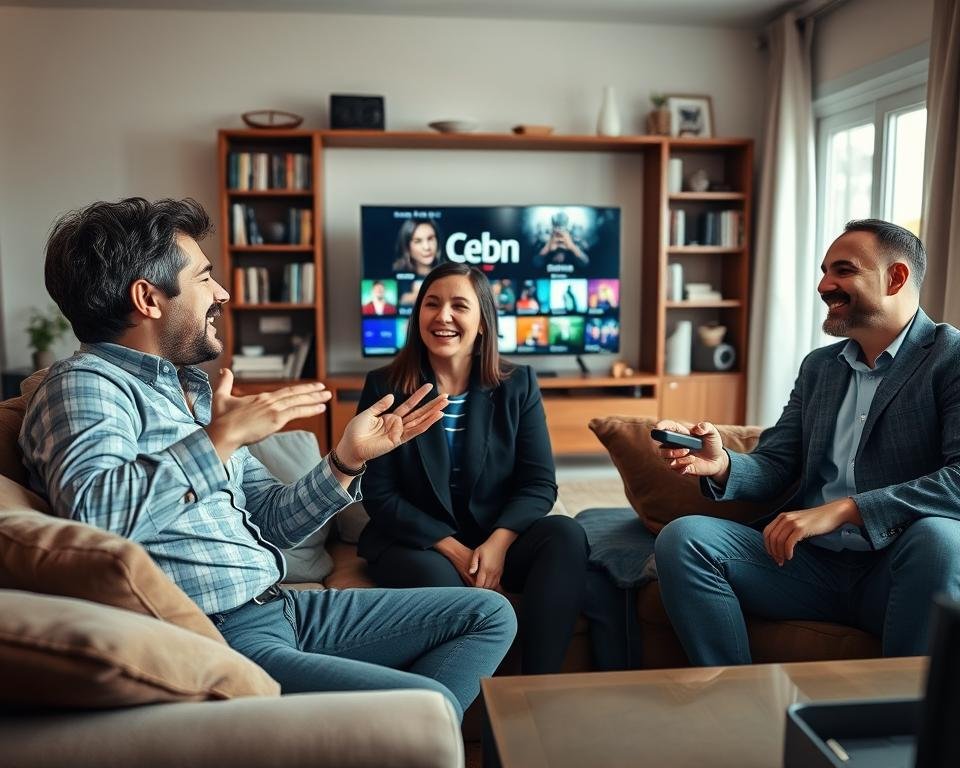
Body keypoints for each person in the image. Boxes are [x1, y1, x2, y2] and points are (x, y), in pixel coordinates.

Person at [20, 197, 516, 721]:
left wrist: (344, 461)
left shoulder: (190, 394)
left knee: (488, 613)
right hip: (220, 633)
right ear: (148, 298)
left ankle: (382, 735)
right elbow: (93, 519)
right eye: (205, 278)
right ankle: (401, 728)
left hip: (281, 605)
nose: (223, 293)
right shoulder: (83, 386)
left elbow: (272, 521)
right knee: (427, 707)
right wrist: (218, 439)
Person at [653, 219, 960, 666]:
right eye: (823, 271)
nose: (824, 285)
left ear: (895, 278)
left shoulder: (949, 358)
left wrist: (846, 510)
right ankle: (731, 700)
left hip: (896, 570)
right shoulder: (821, 367)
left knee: (941, 539)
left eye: (843, 271)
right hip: (807, 566)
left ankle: (906, 724)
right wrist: (720, 464)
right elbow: (778, 462)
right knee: (685, 538)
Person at [357, 261, 589, 675]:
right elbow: (379, 493)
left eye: (459, 306)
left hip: (494, 536)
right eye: (432, 304)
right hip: (419, 542)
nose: (442, 316)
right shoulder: (384, 386)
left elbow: (538, 483)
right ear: (418, 316)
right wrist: (455, 550)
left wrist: (497, 546)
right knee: (455, 597)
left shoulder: (519, 384)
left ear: (482, 322)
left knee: (566, 534)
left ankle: (537, 688)